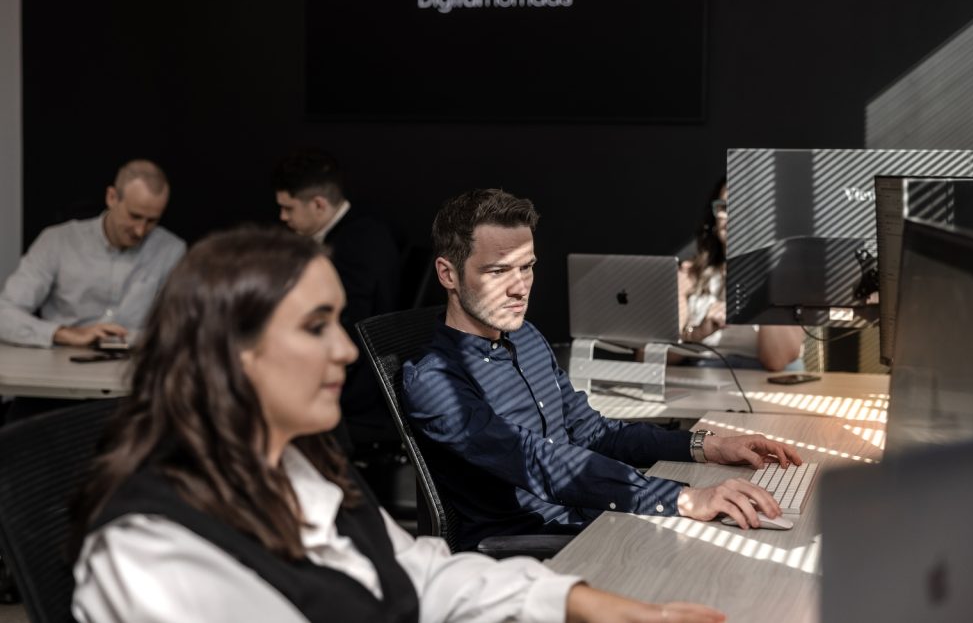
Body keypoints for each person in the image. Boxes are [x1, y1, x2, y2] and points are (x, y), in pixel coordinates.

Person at [71, 226, 725, 623]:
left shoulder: (302, 468)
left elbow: (418, 573)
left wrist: (582, 603)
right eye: (315, 327)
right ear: (232, 350)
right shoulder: (149, 551)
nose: (345, 350)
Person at [402, 189, 803, 553]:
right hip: (537, 548)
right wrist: (683, 498)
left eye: (526, 267)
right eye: (498, 271)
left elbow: (595, 433)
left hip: (592, 518)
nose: (520, 287)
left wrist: (708, 446)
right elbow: (539, 462)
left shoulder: (526, 337)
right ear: (448, 274)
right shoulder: (434, 381)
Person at [273, 149, 402, 456]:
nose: (283, 218)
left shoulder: (353, 247)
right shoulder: (365, 231)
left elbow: (350, 329)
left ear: (319, 204)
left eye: (288, 208)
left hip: (360, 391)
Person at [0, 159, 185, 349]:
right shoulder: (57, 242)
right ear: (112, 197)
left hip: (135, 363)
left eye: (152, 221)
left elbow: (184, 327)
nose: (140, 230)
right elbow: (4, 313)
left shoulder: (172, 251)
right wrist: (65, 334)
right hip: (61, 360)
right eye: (134, 216)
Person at [677, 176, 804, 371]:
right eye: (726, 208)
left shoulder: (785, 273)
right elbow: (657, 353)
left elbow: (776, 360)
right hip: (701, 373)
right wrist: (698, 333)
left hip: (761, 377)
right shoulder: (689, 273)